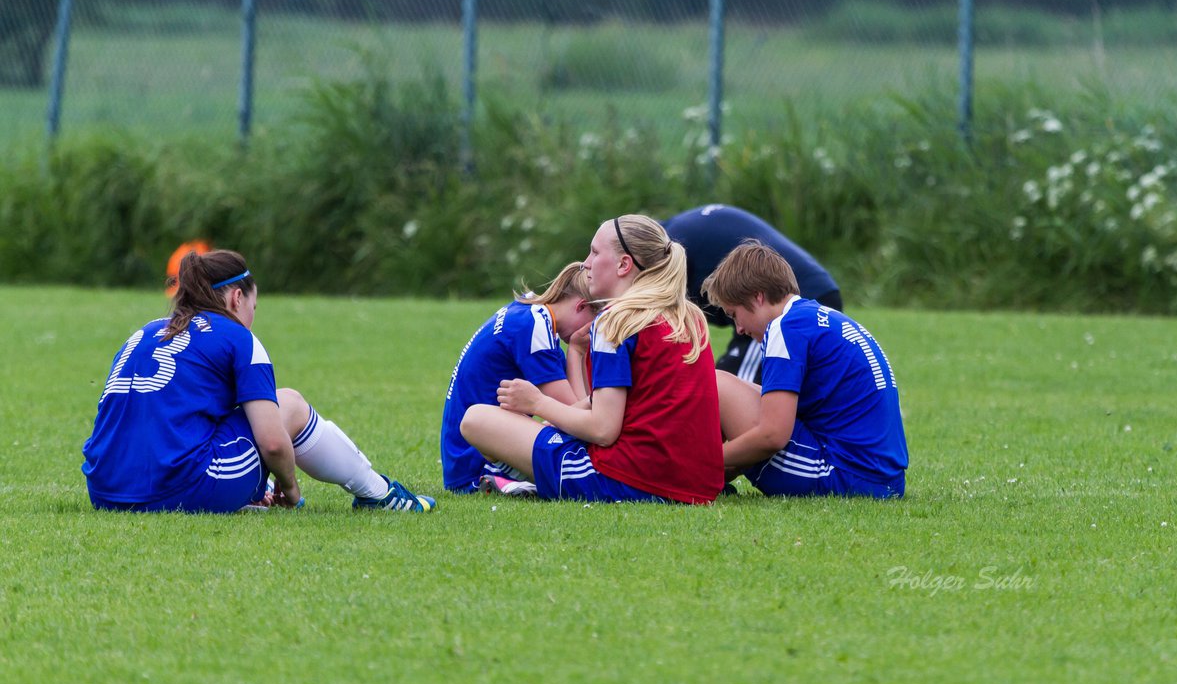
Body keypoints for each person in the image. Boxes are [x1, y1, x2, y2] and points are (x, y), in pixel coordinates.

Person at [82, 249, 435, 514]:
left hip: (104, 489)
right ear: (238, 298)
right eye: (254, 306)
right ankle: (380, 493)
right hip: (179, 489)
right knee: (290, 404)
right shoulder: (238, 337)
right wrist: (291, 489)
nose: (252, 316)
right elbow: (274, 445)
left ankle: (246, 492)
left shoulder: (143, 333)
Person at [459, 215, 723, 504]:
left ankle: (521, 480)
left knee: (476, 419)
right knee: (548, 428)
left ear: (624, 265)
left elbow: (603, 430)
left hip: (626, 480)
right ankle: (532, 476)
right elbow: (628, 402)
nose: (585, 263)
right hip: (694, 487)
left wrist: (537, 403)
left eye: (595, 252)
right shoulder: (687, 317)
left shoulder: (614, 320)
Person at [702, 240, 908, 499]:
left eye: (734, 314)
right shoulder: (818, 317)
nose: (739, 328)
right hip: (882, 479)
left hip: (846, 476)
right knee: (742, 390)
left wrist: (704, 462)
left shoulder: (785, 327)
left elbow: (772, 436)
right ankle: (708, 479)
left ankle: (692, 475)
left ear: (758, 296)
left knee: (718, 384)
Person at [440, 262, 598, 493]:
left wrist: (575, 349)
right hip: (475, 463)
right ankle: (505, 476)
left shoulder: (530, 312)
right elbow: (575, 415)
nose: (593, 333)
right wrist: (577, 353)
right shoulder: (535, 329)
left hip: (461, 455)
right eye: (595, 323)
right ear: (582, 306)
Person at [662, 204, 842, 384]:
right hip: (805, 293)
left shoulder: (665, 248)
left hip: (789, 300)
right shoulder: (679, 228)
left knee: (726, 391)